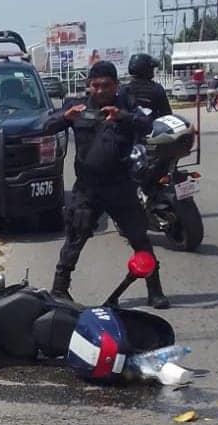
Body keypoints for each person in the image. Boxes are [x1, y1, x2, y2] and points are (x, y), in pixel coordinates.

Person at [52, 61, 170, 309]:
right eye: (95, 85)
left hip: (120, 186)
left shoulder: (126, 105)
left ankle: (154, 289)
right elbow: (45, 126)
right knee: (76, 236)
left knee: (139, 237)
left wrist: (122, 116)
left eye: (106, 85)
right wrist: (65, 117)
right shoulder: (76, 106)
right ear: (88, 86)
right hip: (88, 188)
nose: (100, 90)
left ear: (115, 85)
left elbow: (149, 126)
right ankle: (59, 290)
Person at [123, 53, 172, 120]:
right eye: (151, 68)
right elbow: (167, 115)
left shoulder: (123, 89)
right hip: (153, 128)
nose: (153, 71)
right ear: (147, 69)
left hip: (129, 128)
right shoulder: (157, 89)